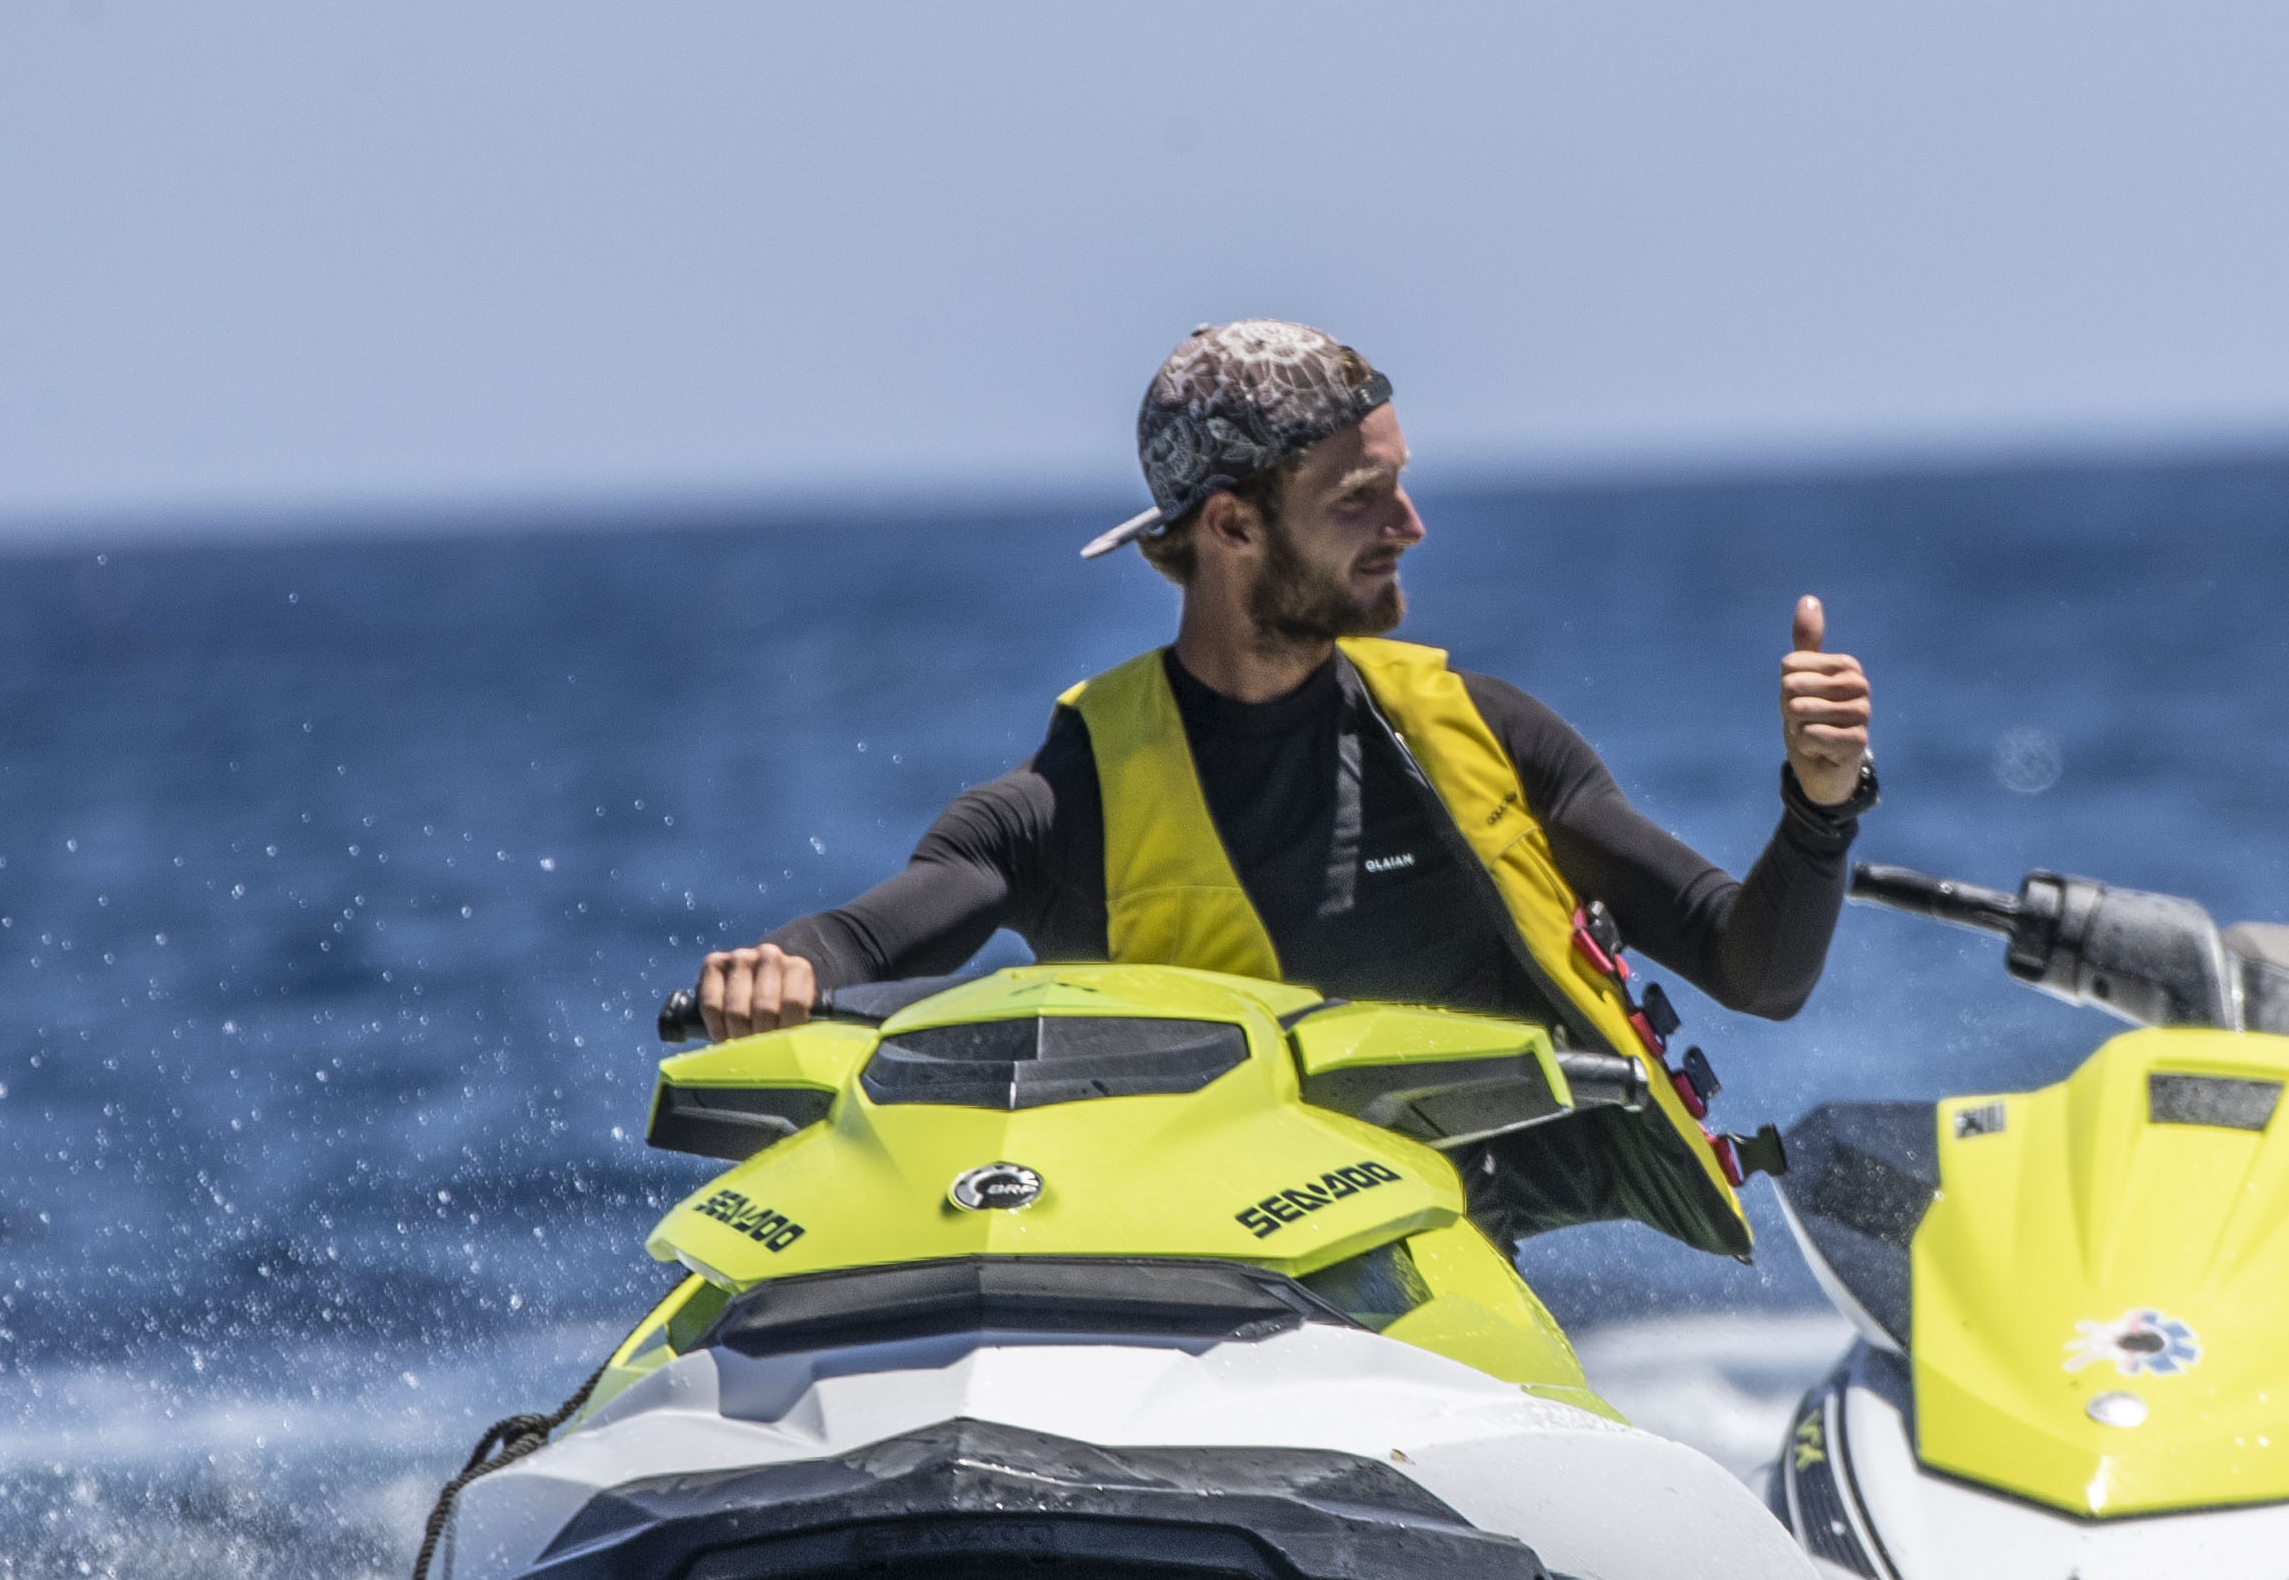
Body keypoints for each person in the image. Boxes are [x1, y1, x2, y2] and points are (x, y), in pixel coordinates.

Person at [686, 321, 1876, 1254]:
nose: (1408, 525)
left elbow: (1755, 970)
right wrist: (779, 974)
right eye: (1358, 498)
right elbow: (870, 933)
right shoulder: (1073, 797)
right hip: (1168, 1312)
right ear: (1231, 526)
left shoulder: (1484, 743)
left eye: (1399, 484)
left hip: (1428, 1315)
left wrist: (1819, 801)